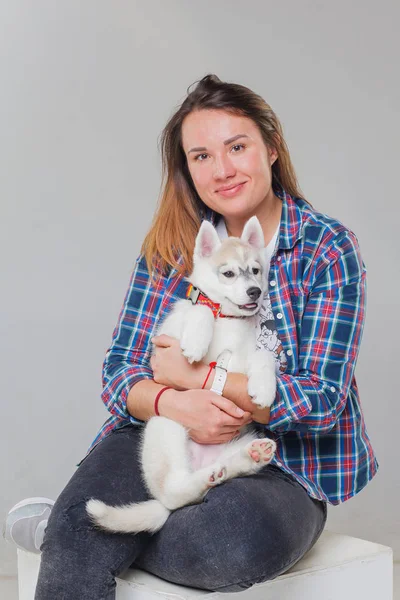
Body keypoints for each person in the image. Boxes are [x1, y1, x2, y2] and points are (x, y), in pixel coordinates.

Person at [4, 74, 378, 599]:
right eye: (201, 156)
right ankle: (73, 533)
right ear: (187, 169)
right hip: (160, 434)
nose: (221, 169)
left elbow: (320, 401)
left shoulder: (326, 248)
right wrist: (173, 402)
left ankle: (65, 533)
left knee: (217, 547)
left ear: (271, 148)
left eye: (237, 146)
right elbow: (120, 373)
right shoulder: (175, 248)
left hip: (281, 460)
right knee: (84, 533)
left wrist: (203, 377)